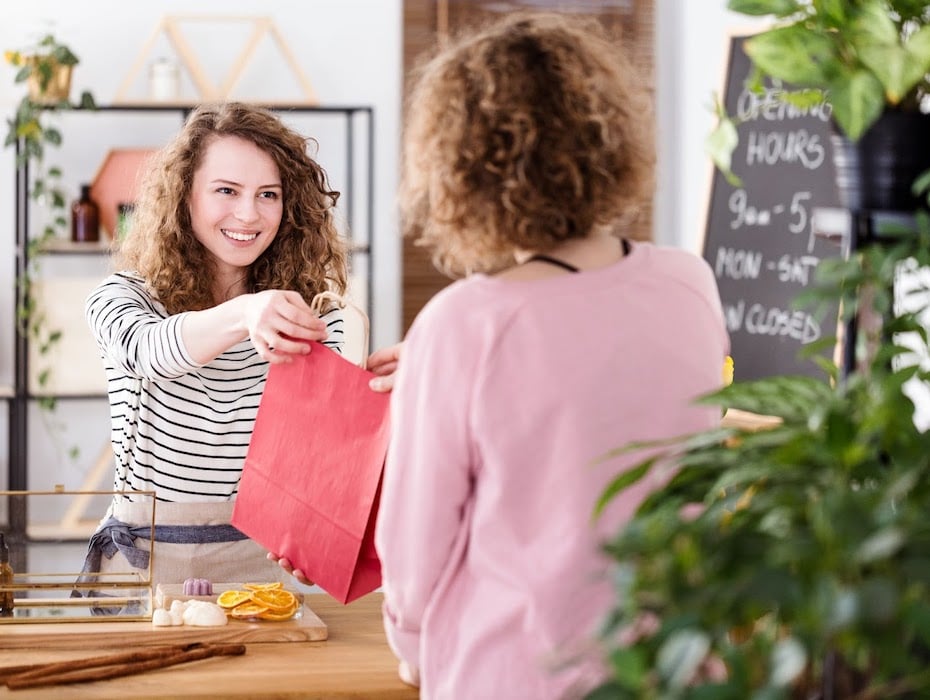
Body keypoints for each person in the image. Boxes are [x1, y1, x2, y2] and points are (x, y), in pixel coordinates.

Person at [372, 12, 730, 699]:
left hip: (517, 673)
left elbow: (415, 549)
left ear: (460, 169)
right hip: (678, 661)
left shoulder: (462, 323)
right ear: (609, 139)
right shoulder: (690, 283)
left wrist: (412, 643)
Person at [79, 101, 357, 593]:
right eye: (226, 190)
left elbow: (315, 451)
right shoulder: (123, 297)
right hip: (142, 570)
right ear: (184, 197)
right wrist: (245, 313)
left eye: (267, 194)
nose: (248, 214)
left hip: (258, 572)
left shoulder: (313, 317)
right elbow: (150, 353)